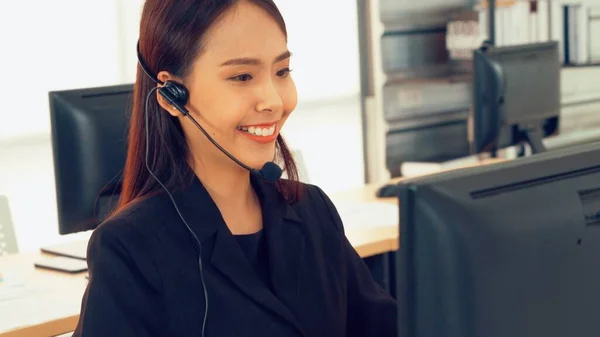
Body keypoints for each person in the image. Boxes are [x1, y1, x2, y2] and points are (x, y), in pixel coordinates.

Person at [73, 0, 396, 336]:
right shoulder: (129, 248)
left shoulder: (312, 211)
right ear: (172, 96)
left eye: (282, 72)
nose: (273, 100)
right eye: (242, 76)